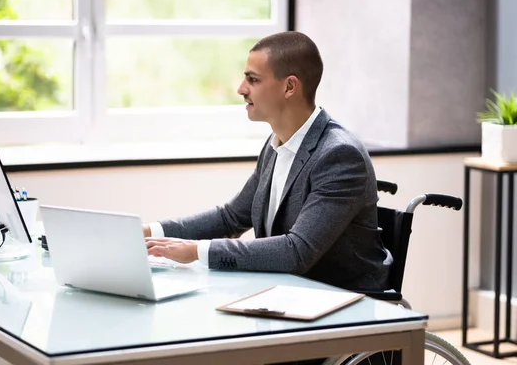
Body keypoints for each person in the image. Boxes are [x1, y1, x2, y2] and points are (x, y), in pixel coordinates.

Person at [144, 31, 391, 292]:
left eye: (253, 79)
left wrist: (195, 251)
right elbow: (231, 218)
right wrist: (149, 232)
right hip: (290, 292)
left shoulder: (339, 156)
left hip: (346, 301)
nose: (241, 88)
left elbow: (296, 251)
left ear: (289, 87)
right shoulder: (276, 143)